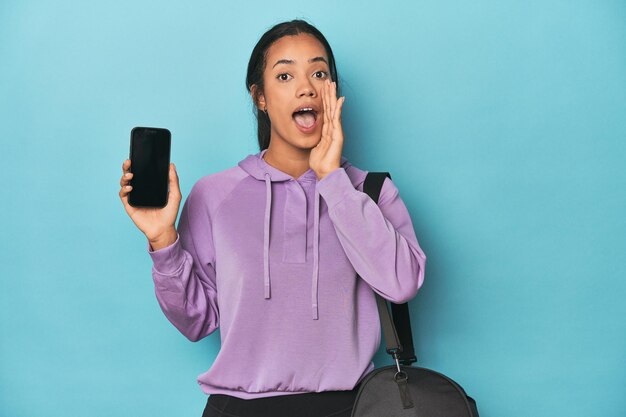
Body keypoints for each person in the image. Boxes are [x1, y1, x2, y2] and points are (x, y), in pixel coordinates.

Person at [119, 19, 426, 417]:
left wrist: (333, 180)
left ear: (332, 91)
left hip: (349, 407)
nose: (306, 87)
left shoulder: (370, 191)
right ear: (260, 97)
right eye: (285, 75)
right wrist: (163, 241)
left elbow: (401, 284)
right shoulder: (215, 194)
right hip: (238, 408)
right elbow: (196, 321)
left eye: (319, 73)